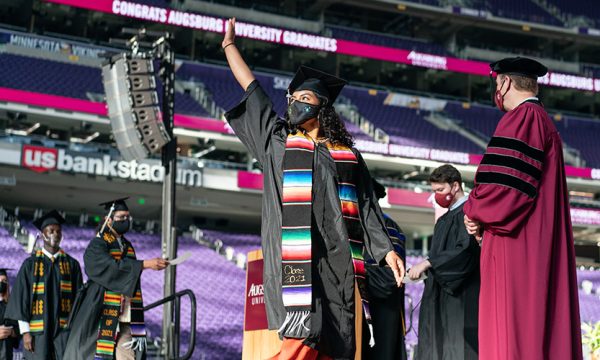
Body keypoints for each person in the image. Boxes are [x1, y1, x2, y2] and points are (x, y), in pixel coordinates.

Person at [222, 17, 405, 360]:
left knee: (341, 345)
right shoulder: (277, 142)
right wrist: (230, 46)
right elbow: (253, 90)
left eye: (303, 97)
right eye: (292, 98)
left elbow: (366, 207)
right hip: (297, 265)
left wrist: (387, 251)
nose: (294, 103)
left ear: (322, 106)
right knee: (300, 345)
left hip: (339, 265)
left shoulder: (347, 155)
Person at [463, 57, 582, 360]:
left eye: (496, 83)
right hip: (534, 241)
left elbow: (504, 191)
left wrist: (474, 209)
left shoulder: (523, 117)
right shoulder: (541, 119)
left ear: (504, 82)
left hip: (516, 245)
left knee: (511, 334)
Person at [63, 198, 168, 360]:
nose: (125, 221)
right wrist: (145, 264)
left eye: (127, 217)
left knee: (128, 356)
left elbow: (128, 271)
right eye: (121, 218)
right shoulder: (97, 244)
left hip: (126, 313)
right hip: (101, 311)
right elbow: (111, 267)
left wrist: (145, 265)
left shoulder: (127, 246)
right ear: (108, 220)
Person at [408, 164, 480, 360]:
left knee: (457, 349)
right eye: (434, 191)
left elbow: (465, 251)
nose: (437, 196)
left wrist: (429, 263)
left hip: (461, 298)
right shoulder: (443, 220)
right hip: (440, 296)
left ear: (455, 186)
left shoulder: (470, 214)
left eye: (441, 190)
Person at [6, 210, 83, 360]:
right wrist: (26, 332)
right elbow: (21, 299)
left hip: (64, 331)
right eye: (51, 231)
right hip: (38, 332)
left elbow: (78, 300)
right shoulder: (30, 265)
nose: (55, 234)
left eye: (58, 231)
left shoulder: (72, 264)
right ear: (42, 235)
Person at [362, 180, 407, 360]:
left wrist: (357, 272)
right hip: (375, 309)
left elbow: (390, 277)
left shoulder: (387, 227)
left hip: (380, 310)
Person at [0, 268, 18, 360]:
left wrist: (12, 332)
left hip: (6, 354)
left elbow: (18, 330)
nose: (1, 283)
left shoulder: (11, 306)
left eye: (4, 281)